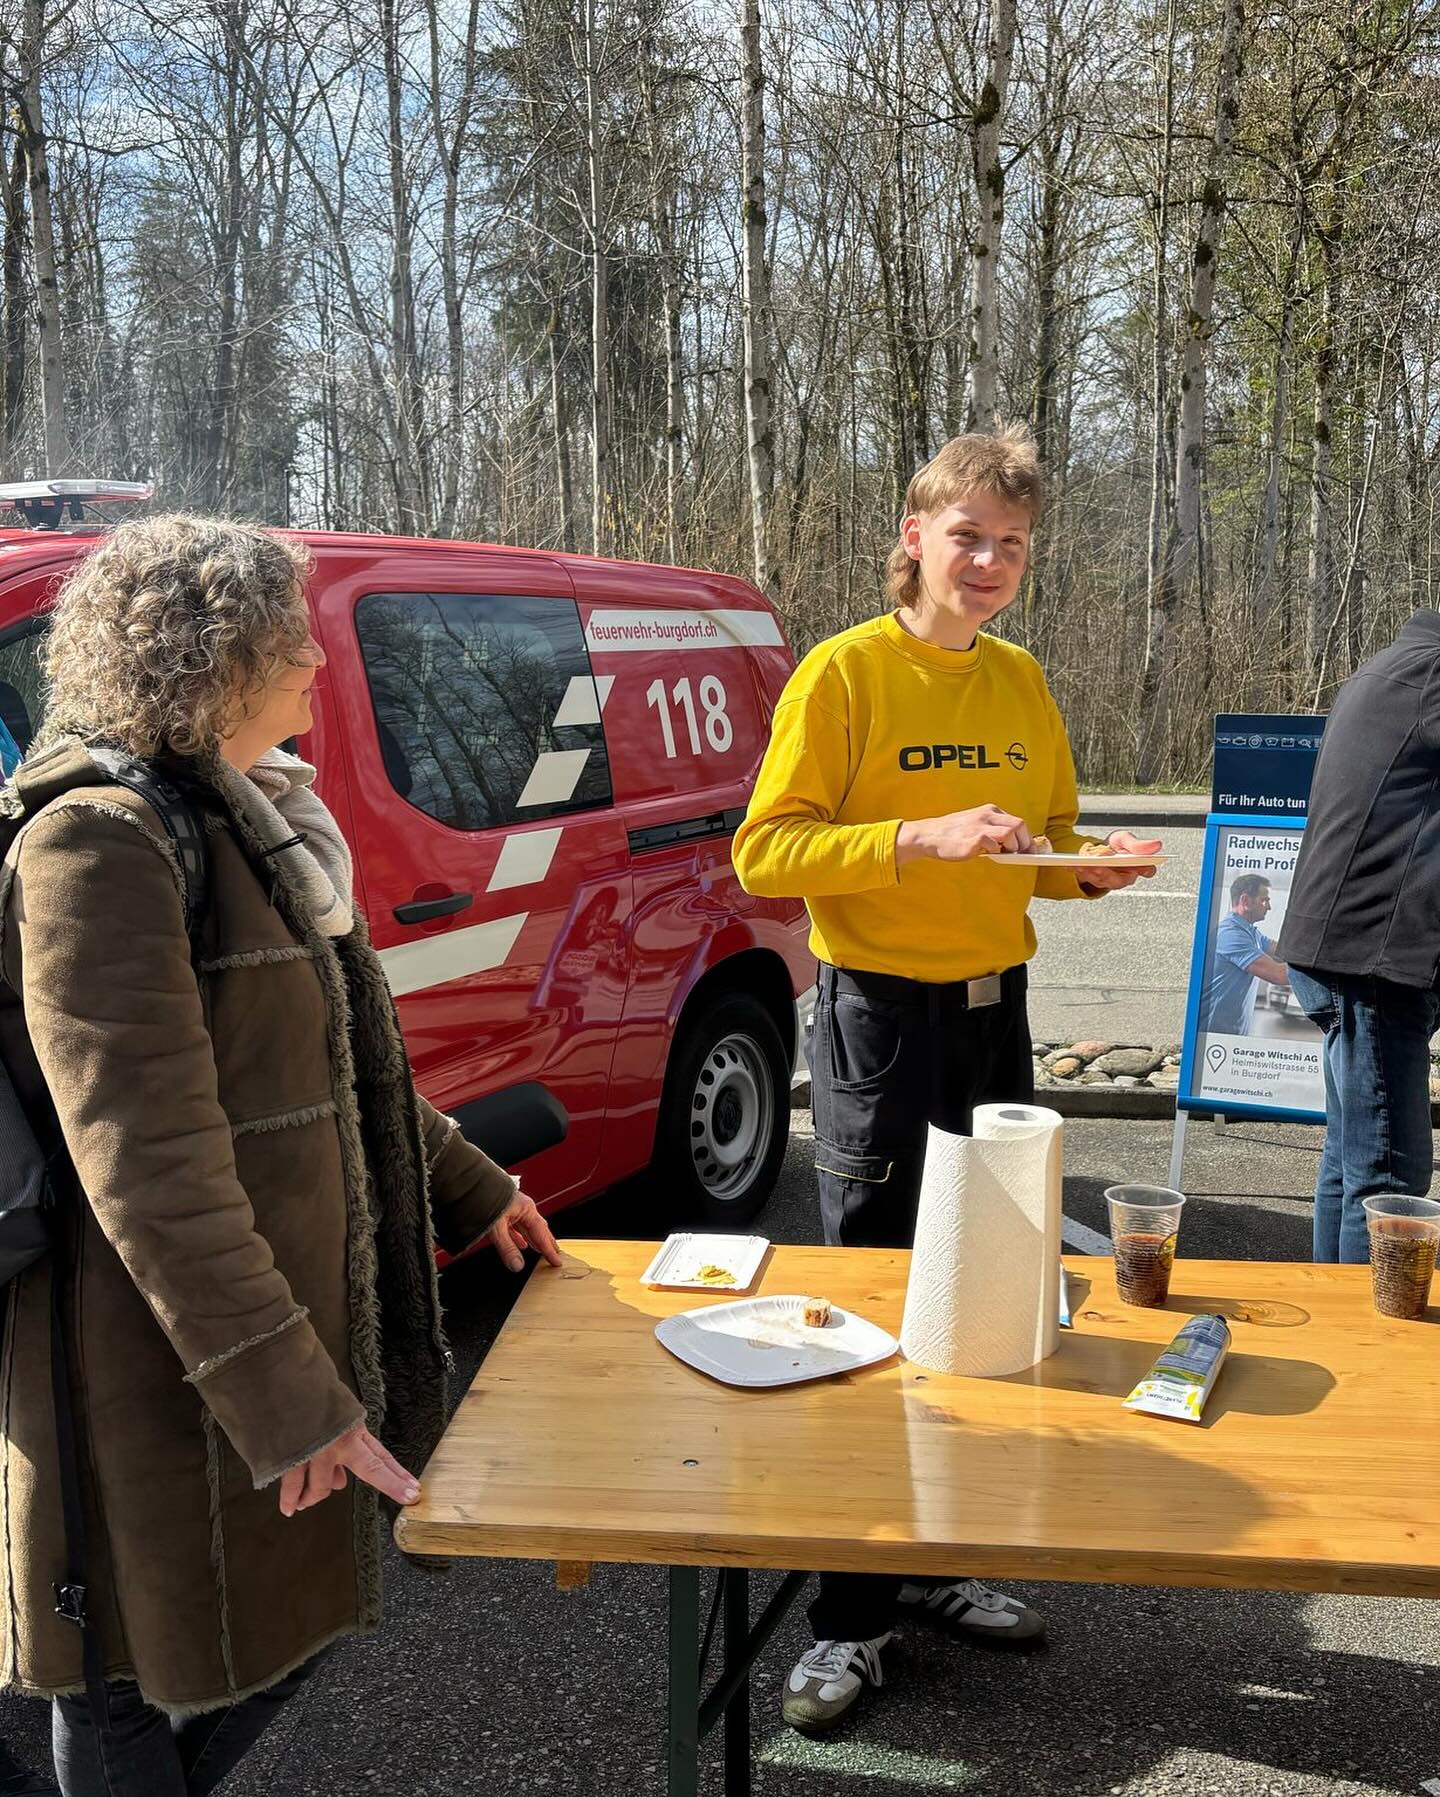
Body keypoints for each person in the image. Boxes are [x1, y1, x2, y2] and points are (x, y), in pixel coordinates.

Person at [0, 515, 561, 1796]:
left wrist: (479, 1191)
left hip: (244, 1337)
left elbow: (343, 1068)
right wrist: (288, 1398)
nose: (318, 659)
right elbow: (147, 1163)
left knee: (262, 1637)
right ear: (210, 661)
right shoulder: (99, 841)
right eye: (287, 639)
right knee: (128, 1674)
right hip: (142, 1362)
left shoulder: (249, 814)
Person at [732, 425, 1161, 1734]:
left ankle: (935, 1564)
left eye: (1012, 546)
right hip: (878, 1024)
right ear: (913, 535)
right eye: (967, 535)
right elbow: (765, 854)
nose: (988, 564)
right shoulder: (844, 673)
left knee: (982, 1300)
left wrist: (1086, 865)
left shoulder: (1022, 680)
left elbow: (1040, 840)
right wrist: (916, 832)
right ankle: (846, 1624)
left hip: (995, 1019)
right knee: (874, 1311)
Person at [1278, 612, 1440, 1264]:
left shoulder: (1407, 660)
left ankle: (1335, 1322)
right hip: (1372, 963)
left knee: (1351, 1163)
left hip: (1348, 953)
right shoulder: (1432, 673)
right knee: (1390, 1182)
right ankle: (1370, 1343)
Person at [1200, 874, 1289, 1036]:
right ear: (1246, 901)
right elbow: (1279, 975)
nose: (1268, 907)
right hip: (1214, 1034)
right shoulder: (1230, 934)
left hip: (1233, 1033)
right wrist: (1322, 966)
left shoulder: (1251, 932)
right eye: (1264, 900)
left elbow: (1283, 951)